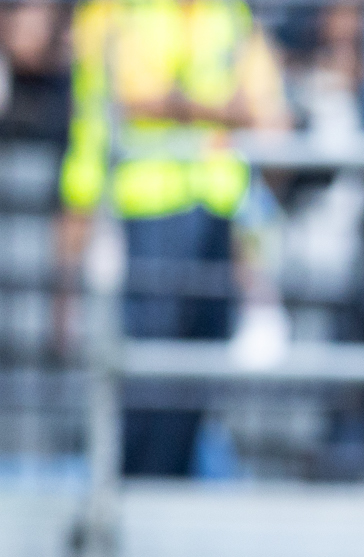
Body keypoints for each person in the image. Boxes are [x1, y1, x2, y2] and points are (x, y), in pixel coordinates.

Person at [58, 0, 286, 478]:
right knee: (145, 383)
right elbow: (135, 97)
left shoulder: (227, 15)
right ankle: (135, 493)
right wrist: (226, 112)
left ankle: (165, 489)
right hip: (143, 214)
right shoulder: (118, 12)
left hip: (214, 217)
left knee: (194, 380)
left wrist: (188, 108)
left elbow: (269, 113)